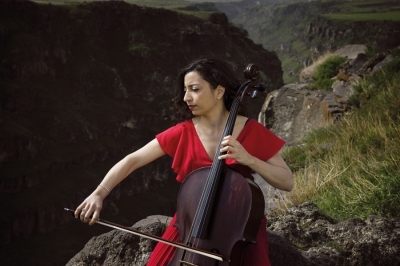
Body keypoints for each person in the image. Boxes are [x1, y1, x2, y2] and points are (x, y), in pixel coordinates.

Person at [75, 57, 293, 266]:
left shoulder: (251, 130)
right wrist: (99, 193)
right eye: (185, 90)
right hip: (189, 227)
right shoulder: (183, 132)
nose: (186, 97)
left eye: (195, 89)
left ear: (219, 91)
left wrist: (249, 159)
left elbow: (287, 181)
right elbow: (132, 160)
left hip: (240, 227)